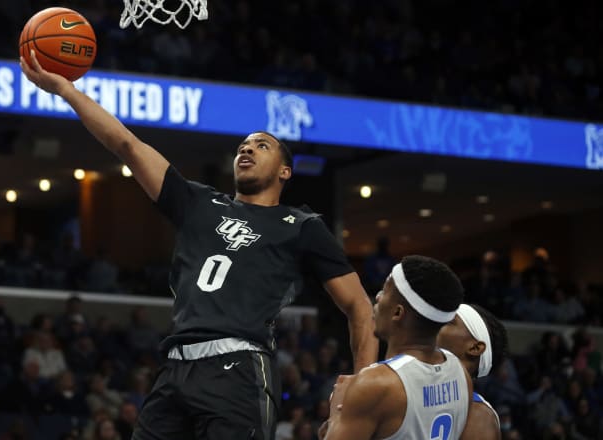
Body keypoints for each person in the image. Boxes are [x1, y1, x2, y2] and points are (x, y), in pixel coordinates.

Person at [20, 51, 377, 440]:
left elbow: (359, 306)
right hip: (176, 368)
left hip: (240, 369)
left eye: (261, 145)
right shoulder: (198, 202)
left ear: (284, 171)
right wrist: (66, 91)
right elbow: (126, 144)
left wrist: (360, 392)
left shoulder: (301, 225)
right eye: (243, 145)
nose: (247, 148)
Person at [323, 255, 472, 439]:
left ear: (397, 312)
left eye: (385, 291)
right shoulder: (460, 372)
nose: (377, 296)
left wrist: (336, 415)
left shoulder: (376, 384)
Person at [437, 303, 509, 440]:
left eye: (447, 321)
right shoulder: (407, 383)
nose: (433, 324)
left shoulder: (479, 417)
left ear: (475, 348)